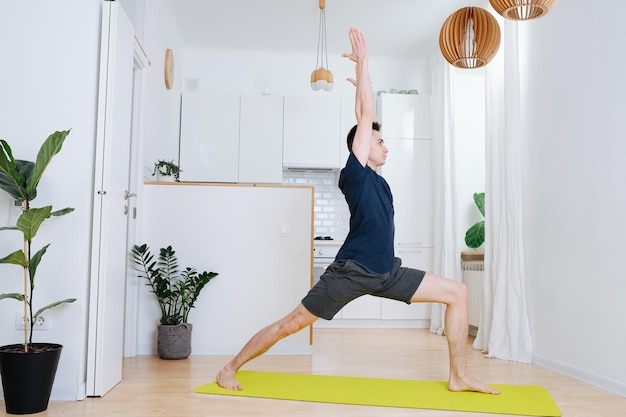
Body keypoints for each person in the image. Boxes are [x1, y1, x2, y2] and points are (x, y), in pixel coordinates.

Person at [216, 27, 499, 395]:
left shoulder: (379, 182)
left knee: (458, 292)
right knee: (291, 324)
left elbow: (364, 114)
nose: (386, 146)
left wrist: (362, 80)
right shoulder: (356, 174)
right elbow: (365, 113)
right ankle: (229, 368)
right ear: (361, 147)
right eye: (379, 141)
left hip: (387, 272)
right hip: (351, 272)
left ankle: (459, 375)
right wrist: (365, 64)